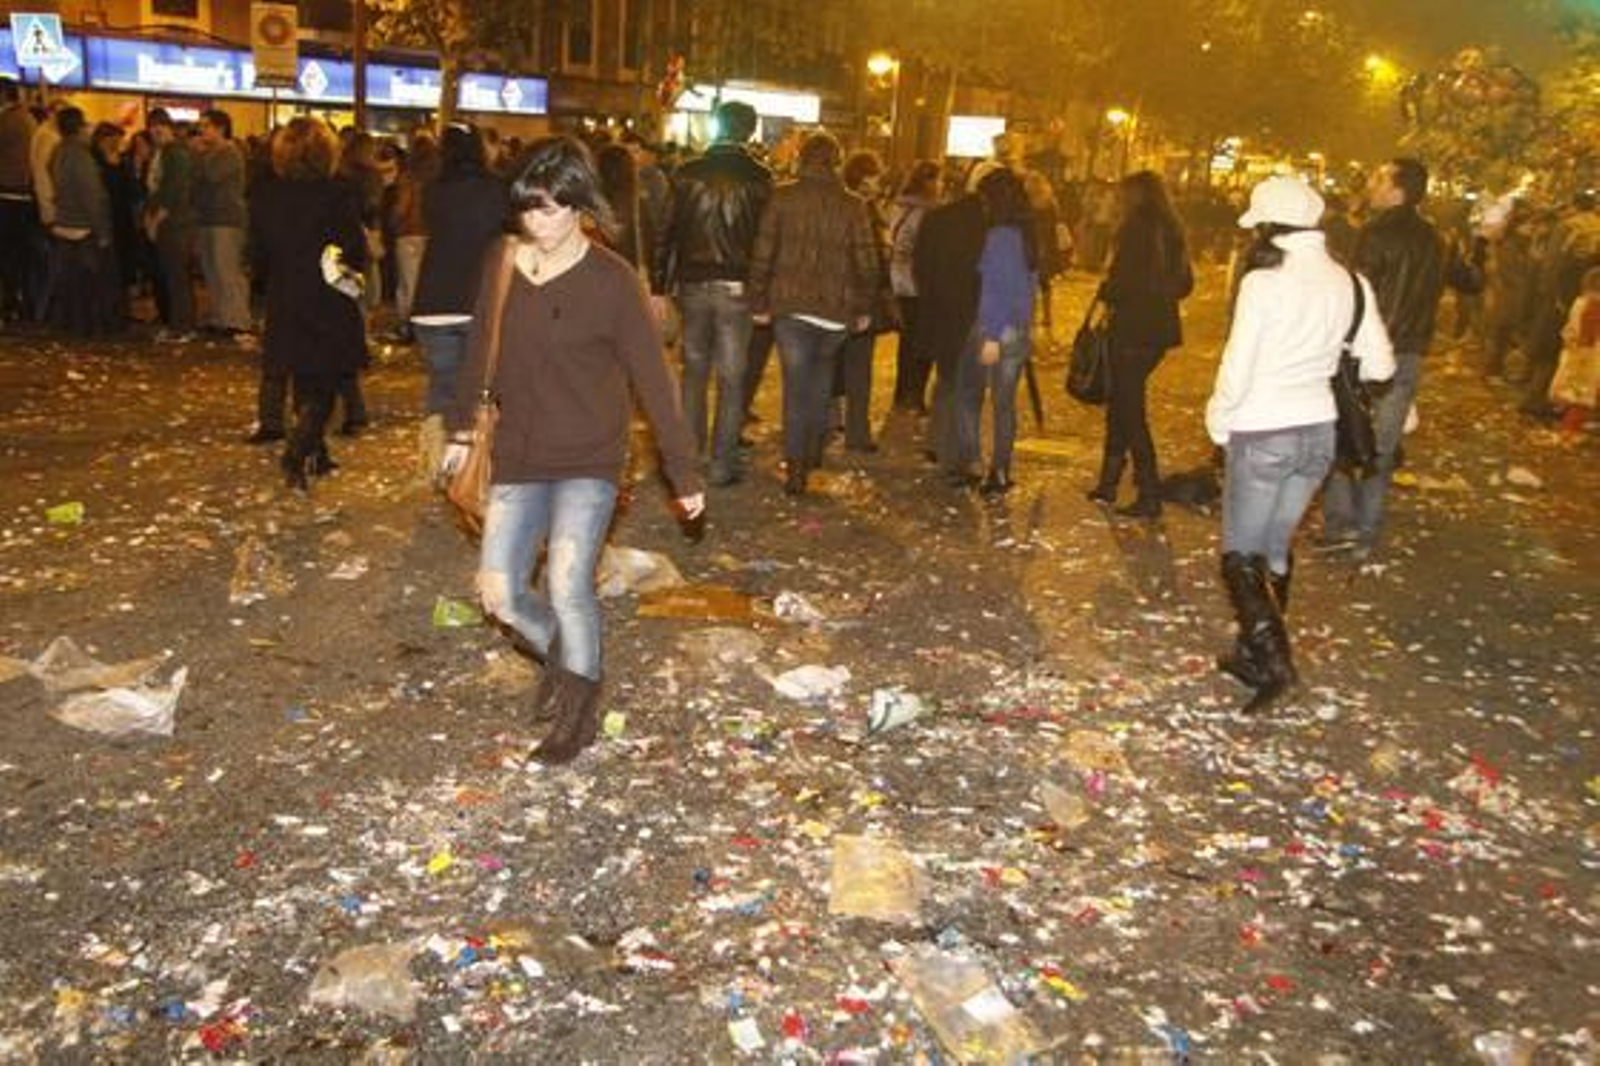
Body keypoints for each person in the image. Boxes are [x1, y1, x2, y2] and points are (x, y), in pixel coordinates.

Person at [439, 137, 703, 765]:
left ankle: (578, 714)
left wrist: (682, 471)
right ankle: (568, 660)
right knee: (498, 591)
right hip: (519, 451)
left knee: (567, 581)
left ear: (582, 206)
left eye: (556, 209)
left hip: (590, 456)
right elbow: (480, 348)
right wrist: (459, 430)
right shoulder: (503, 262)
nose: (542, 224)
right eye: (531, 209)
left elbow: (653, 381)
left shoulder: (613, 281)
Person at [1205, 177, 1395, 711]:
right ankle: (1251, 654)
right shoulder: (1351, 282)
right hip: (1319, 432)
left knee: (1239, 557)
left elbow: (1237, 363)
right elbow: (1380, 365)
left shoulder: (1263, 284)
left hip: (1264, 426)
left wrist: (1220, 421)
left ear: (1269, 225)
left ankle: (1275, 664)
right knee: (1274, 547)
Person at [1320, 158, 1481, 558]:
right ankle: (1367, 529)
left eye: (1379, 178)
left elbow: (1358, 293)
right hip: (1409, 352)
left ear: (1398, 190)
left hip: (1365, 351)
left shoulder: (1374, 234)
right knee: (1382, 445)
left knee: (1346, 434)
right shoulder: (1435, 239)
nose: (1371, 185)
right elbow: (1470, 282)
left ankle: (1339, 521)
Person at [748, 131, 878, 496]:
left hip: (790, 308)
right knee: (820, 385)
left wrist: (758, 302)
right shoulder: (853, 205)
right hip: (835, 310)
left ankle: (795, 468)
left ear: (802, 158)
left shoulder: (783, 198)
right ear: (836, 162)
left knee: (795, 387)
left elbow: (763, 254)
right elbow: (867, 261)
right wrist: (865, 306)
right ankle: (812, 453)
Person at [652, 101, 773, 487]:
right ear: (750, 132)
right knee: (733, 378)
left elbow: (665, 232)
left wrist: (658, 285)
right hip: (738, 287)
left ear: (715, 126)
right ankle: (723, 464)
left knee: (694, 372)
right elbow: (766, 243)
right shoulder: (760, 178)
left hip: (691, 283)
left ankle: (688, 459)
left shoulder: (687, 173)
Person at [249, 117, 368, 491]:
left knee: (301, 374)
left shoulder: (267, 194)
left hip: (285, 293)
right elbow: (353, 248)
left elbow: (258, 252)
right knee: (327, 379)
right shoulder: (337, 193)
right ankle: (299, 448)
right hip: (328, 292)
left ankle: (315, 451)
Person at [1088, 170, 1194, 519]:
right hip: (1158, 331)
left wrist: (1107, 289)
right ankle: (1109, 481)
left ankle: (1148, 491)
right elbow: (1185, 285)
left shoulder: (1135, 230)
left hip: (1132, 328)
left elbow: (1121, 283)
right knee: (1123, 400)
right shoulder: (1173, 229)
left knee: (1130, 409)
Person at [411, 123, 509, 470]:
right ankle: (477, 463)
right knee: (482, 385)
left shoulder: (432, 190)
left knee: (442, 384)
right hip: (477, 299)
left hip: (431, 302)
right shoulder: (495, 190)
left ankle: (440, 463)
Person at [960, 166, 1037, 498]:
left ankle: (973, 460)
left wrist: (991, 334)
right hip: (1018, 329)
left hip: (995, 328)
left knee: (968, 394)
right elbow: (1026, 288)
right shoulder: (1029, 235)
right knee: (1005, 404)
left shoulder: (998, 238)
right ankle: (1001, 469)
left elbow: (994, 289)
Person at [916, 164, 992, 484]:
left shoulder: (938, 218)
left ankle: (937, 441)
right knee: (970, 386)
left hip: (941, 308)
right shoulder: (995, 225)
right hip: (977, 312)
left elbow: (921, 266)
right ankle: (959, 454)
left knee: (947, 376)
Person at [835, 149, 894, 453]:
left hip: (831, 296)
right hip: (860, 297)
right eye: (875, 176)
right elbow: (872, 260)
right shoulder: (865, 210)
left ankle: (830, 422)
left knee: (831, 362)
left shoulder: (836, 204)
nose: (879, 181)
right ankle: (857, 432)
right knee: (858, 368)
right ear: (863, 177)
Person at [47, 106, 117, 337]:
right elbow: (92, 196)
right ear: (79, 128)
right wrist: (103, 230)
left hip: (63, 223)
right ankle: (92, 327)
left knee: (70, 283)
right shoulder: (81, 156)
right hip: (83, 227)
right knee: (91, 283)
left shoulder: (57, 152)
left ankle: (71, 324)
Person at [192, 108, 252, 338]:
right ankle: (220, 316)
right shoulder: (209, 153)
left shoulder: (229, 152)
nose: (201, 131)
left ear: (220, 128)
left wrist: (199, 156)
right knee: (211, 271)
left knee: (227, 270)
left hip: (226, 219)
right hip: (207, 218)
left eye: (206, 126)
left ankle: (237, 319)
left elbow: (210, 176)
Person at [888, 160, 940, 413]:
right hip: (917, 282)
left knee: (906, 341)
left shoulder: (898, 205)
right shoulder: (927, 212)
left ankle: (901, 393)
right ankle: (914, 395)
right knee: (922, 341)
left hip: (897, 279)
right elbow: (927, 250)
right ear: (929, 182)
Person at [144, 108, 196, 343]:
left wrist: (156, 218)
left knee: (177, 276)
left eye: (160, 127)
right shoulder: (162, 152)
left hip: (175, 223)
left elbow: (174, 190)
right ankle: (177, 324)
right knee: (171, 275)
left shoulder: (176, 154)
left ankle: (183, 326)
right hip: (167, 221)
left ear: (169, 128)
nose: (156, 132)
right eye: (153, 128)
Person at [0, 82, 36, 326]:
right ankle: (20, 304)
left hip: (7, 195)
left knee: (7, 256)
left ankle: (9, 304)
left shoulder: (7, 121)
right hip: (24, 196)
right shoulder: (28, 119)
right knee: (20, 256)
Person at [1551, 265, 1600, 439]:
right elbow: (1590, 336)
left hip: (1575, 352)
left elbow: (1569, 330)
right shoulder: (1594, 306)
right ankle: (1569, 433)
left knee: (1575, 393)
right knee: (1581, 397)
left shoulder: (1579, 302)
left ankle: (1568, 429)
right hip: (1588, 356)